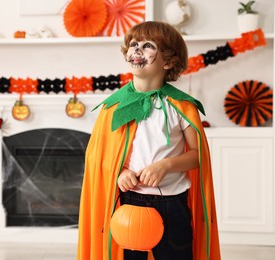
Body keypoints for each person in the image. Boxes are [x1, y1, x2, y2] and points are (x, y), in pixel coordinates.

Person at [77, 21, 221, 260]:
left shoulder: (181, 106)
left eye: (147, 46)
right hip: (129, 202)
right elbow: (99, 156)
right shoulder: (114, 106)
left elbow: (198, 155)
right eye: (133, 45)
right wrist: (120, 172)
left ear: (167, 62)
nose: (136, 50)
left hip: (172, 205)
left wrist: (165, 165)